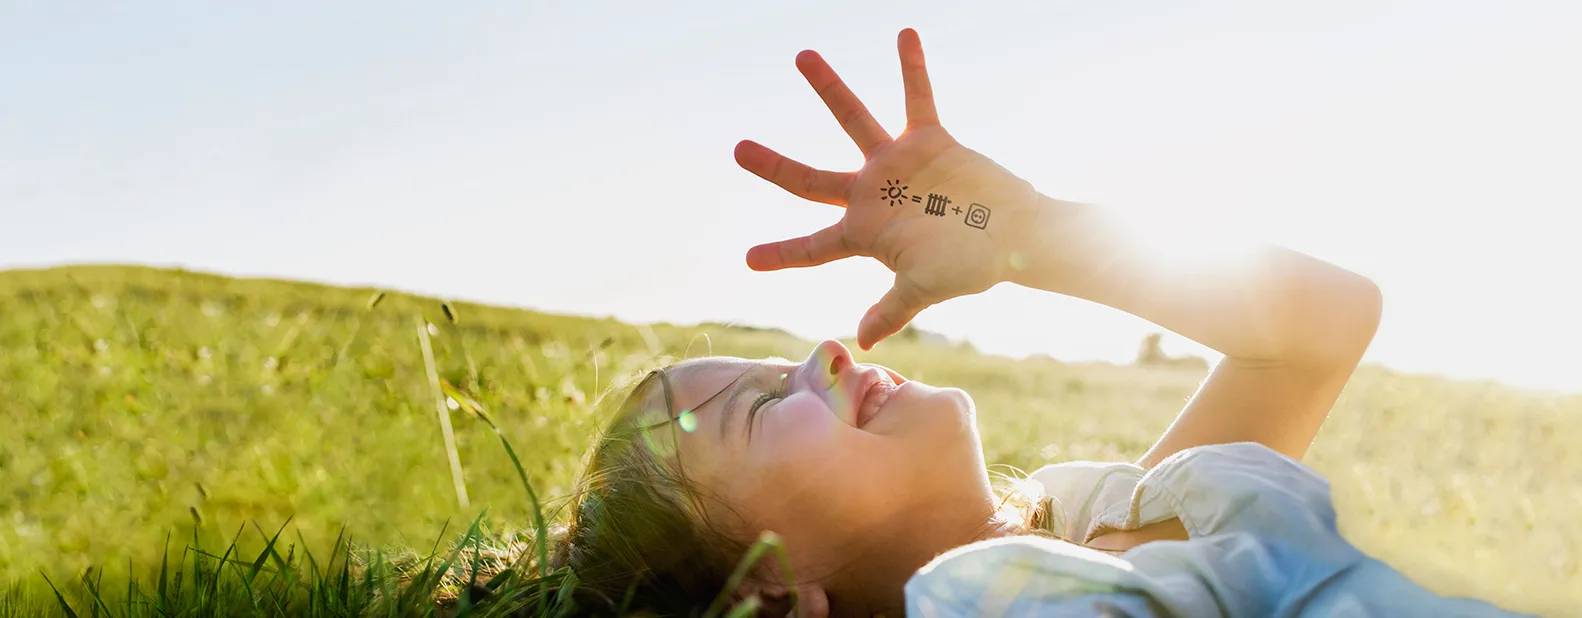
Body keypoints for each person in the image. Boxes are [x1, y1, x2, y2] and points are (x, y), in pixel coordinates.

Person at [537, 29, 1527, 617]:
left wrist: (1026, 234)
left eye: (776, 361)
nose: (823, 353)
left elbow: (1324, 325)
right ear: (774, 600)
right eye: (759, 407)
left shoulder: (1098, 517)